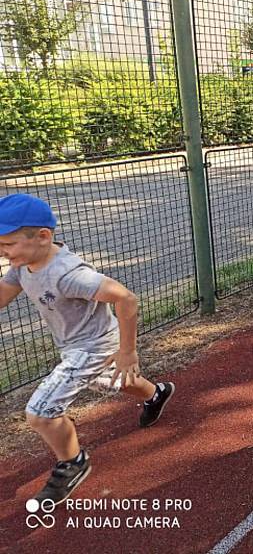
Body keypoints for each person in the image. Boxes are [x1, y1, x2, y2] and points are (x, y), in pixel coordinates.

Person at [0, 194, 175, 505]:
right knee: (112, 381)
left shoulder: (69, 274)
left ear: (43, 236)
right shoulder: (22, 265)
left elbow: (126, 299)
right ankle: (156, 393)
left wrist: (127, 351)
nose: (2, 252)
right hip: (74, 345)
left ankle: (73, 462)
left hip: (93, 345)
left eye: (7, 244)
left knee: (40, 412)